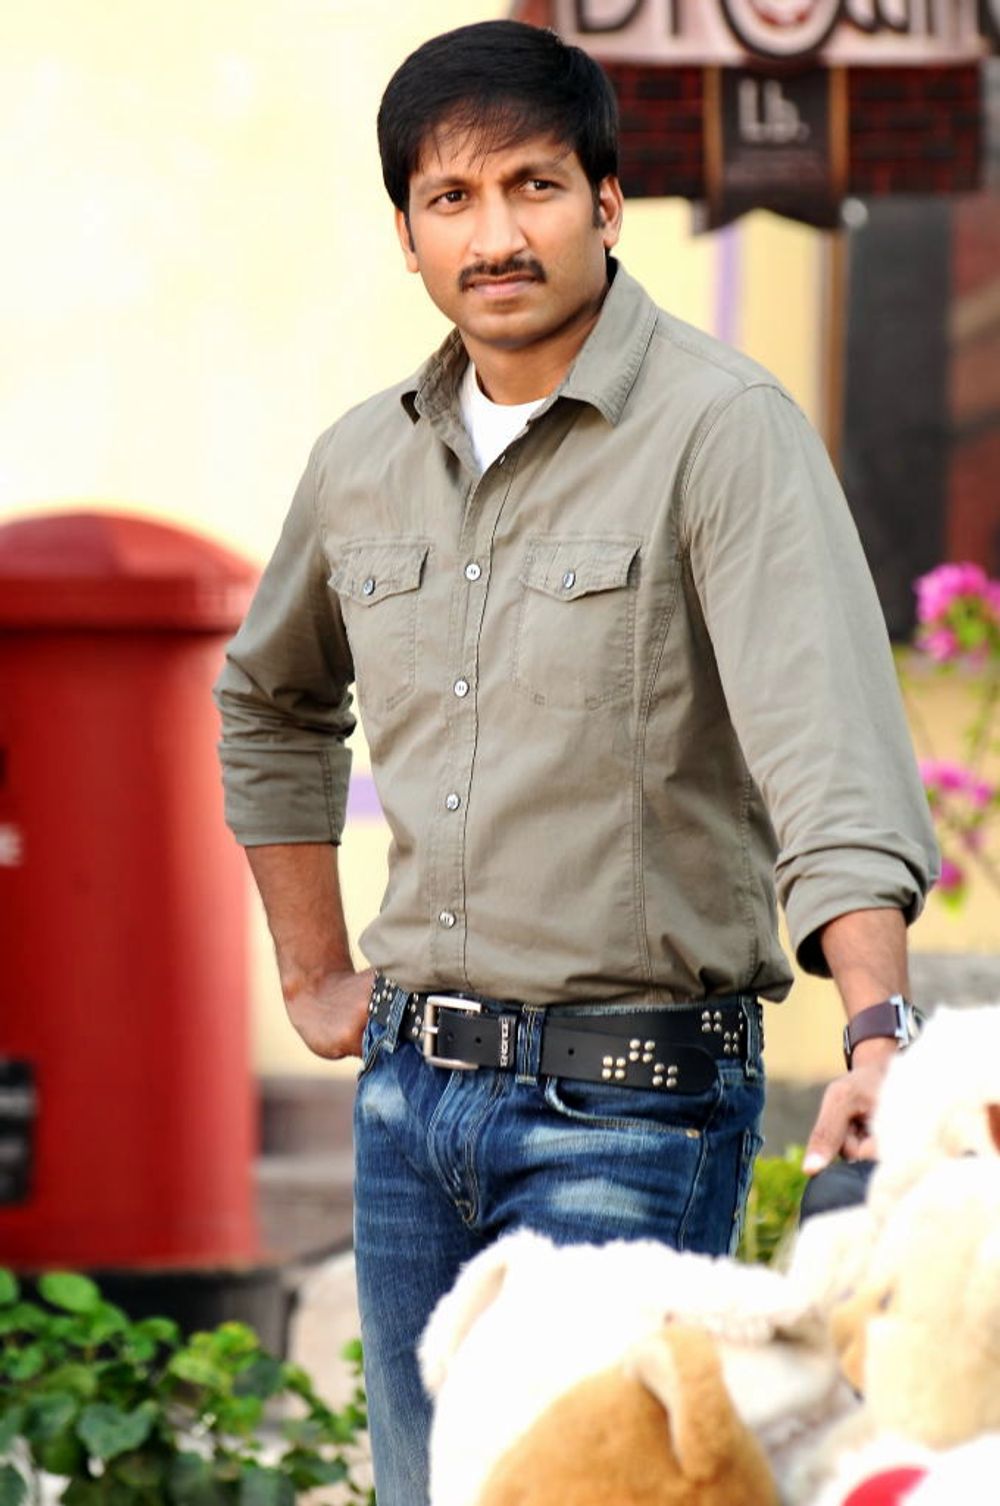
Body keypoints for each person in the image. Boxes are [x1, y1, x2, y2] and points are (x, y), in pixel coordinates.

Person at [214, 19, 937, 1504]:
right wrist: (311, 967)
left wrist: (877, 1025)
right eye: (451, 199)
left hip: (634, 1110)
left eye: (532, 187)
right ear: (408, 233)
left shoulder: (723, 431)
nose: (495, 235)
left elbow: (827, 741)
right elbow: (270, 699)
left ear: (606, 202)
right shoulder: (361, 461)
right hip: (408, 1109)